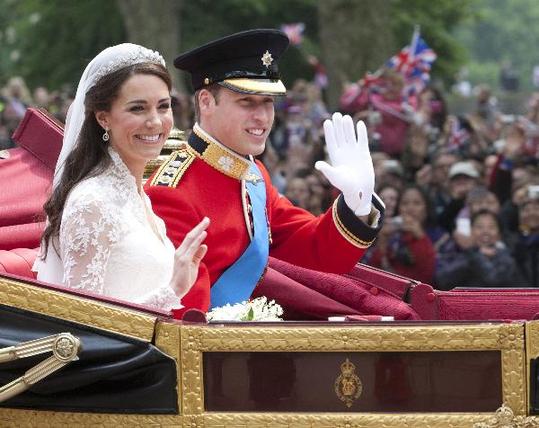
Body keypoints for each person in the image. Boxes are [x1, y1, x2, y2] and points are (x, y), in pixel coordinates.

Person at [145, 29, 385, 315]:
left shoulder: (253, 173)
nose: (262, 117)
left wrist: (356, 204)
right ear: (207, 101)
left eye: (268, 102)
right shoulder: (171, 191)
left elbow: (313, 250)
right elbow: (186, 317)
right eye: (247, 102)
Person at [34, 43, 209, 312]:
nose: (154, 121)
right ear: (104, 118)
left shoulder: (137, 196)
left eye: (163, 107)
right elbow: (81, 322)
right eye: (137, 109)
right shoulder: (92, 201)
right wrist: (172, 290)